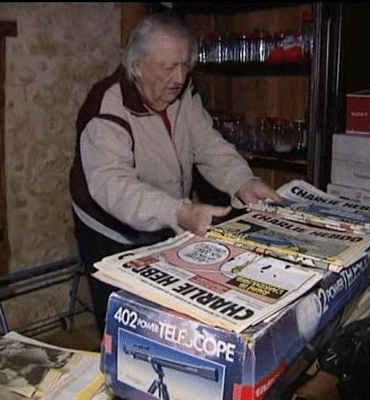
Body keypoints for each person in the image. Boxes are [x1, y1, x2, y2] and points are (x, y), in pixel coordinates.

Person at [69, 11, 280, 338]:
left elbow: (207, 144)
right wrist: (179, 211)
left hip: (168, 212)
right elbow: (114, 186)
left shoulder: (184, 92)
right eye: (168, 67)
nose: (179, 78)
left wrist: (243, 180)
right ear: (136, 65)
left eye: (185, 65)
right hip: (109, 227)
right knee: (125, 323)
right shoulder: (105, 107)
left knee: (167, 318)